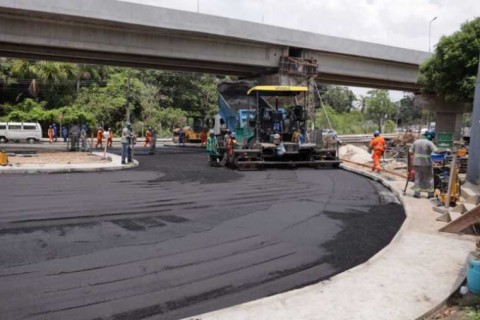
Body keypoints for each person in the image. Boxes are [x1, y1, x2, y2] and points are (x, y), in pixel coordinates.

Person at [409, 132, 437, 198]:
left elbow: (410, 151)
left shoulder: (416, 142)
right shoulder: (429, 143)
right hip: (426, 164)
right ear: (429, 136)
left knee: (417, 178)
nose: (432, 139)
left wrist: (413, 159)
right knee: (429, 178)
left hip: (417, 164)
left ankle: (416, 194)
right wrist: (445, 150)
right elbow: (436, 150)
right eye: (432, 138)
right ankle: (430, 194)